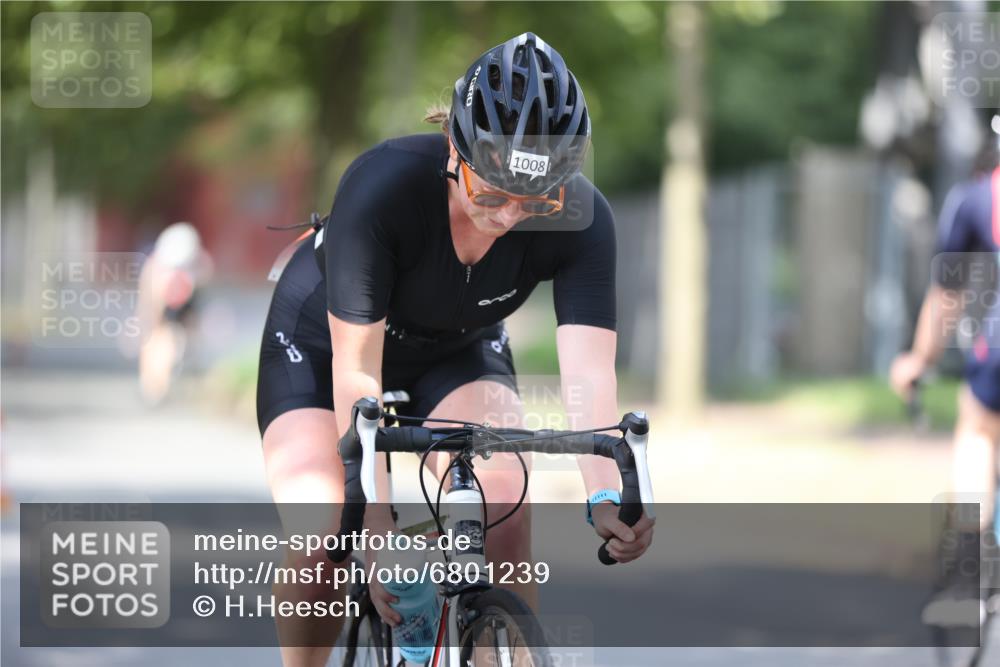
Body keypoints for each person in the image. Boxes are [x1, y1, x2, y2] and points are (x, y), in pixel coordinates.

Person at [256, 32, 655, 667]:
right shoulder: (381, 187)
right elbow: (357, 369)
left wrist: (606, 496)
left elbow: (590, 384)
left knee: (502, 501)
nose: (508, 217)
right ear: (454, 152)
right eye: (490, 193)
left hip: (455, 349)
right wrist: (377, 525)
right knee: (327, 530)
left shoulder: (584, 220)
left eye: (535, 202)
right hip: (324, 348)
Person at [890, 135, 1000, 623]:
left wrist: (917, 358)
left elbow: (947, 298)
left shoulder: (978, 196)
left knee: (977, 426)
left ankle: (969, 567)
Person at [135, 222, 212, 405]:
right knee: (167, 337)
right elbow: (206, 273)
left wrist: (144, 317)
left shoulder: (156, 264)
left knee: (159, 337)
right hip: (179, 294)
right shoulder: (195, 261)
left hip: (169, 295)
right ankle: (160, 381)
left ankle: (155, 384)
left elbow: (148, 300)